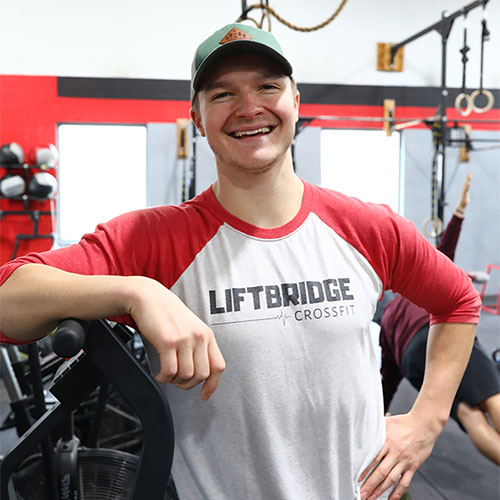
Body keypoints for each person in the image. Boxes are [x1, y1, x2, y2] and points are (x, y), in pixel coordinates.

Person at [0, 22, 481, 500]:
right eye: (223, 94)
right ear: (197, 117)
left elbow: (459, 300)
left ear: (296, 101)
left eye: (267, 87)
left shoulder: (368, 226)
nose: (249, 108)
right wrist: (135, 290)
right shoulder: (154, 240)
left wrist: (426, 421)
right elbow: (8, 298)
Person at [378, 174, 500, 466]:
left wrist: (378, 418)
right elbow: (446, 249)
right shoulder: (413, 290)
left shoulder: (385, 328)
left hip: (411, 357)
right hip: (438, 334)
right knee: (492, 397)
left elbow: (388, 380)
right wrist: (459, 211)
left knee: (468, 415)